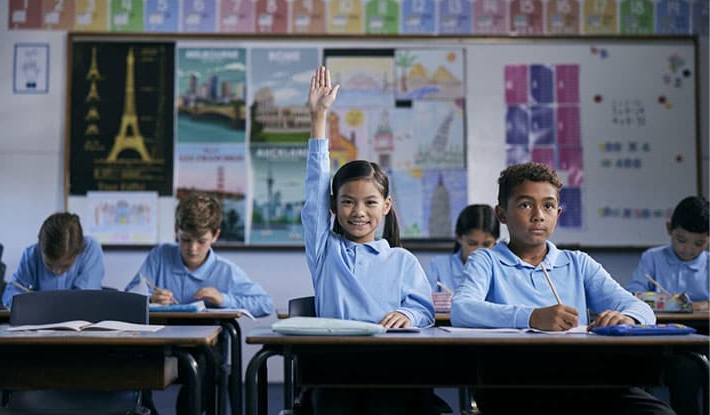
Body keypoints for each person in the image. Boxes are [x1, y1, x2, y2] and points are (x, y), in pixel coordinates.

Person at [450, 162, 675, 415]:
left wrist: (627, 318)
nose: (538, 215)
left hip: (582, 377)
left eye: (547, 206)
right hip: (512, 381)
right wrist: (533, 317)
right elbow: (462, 309)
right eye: (525, 205)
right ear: (501, 214)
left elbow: (641, 308)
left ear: (558, 212)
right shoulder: (486, 260)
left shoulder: (578, 263)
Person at [303, 66, 437, 414]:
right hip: (335, 372)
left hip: (391, 369)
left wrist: (407, 314)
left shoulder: (402, 261)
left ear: (387, 206)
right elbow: (316, 184)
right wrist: (319, 118)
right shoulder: (325, 250)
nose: (358, 211)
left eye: (370, 202)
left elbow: (424, 310)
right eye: (347, 201)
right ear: (333, 206)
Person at [125, 192, 272, 317]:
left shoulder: (225, 271)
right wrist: (150, 299)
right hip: (161, 344)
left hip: (205, 348)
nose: (193, 249)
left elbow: (265, 304)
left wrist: (223, 300)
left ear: (215, 235)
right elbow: (127, 298)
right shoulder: (160, 256)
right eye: (186, 239)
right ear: (176, 230)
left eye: (201, 241)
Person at [2, 212, 104, 307]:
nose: (57, 271)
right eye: (49, 264)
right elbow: (12, 293)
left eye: (65, 266)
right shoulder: (32, 254)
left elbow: (87, 298)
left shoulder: (90, 249)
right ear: (40, 247)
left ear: (78, 252)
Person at [626, 195, 709, 312]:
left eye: (699, 243)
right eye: (681, 240)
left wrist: (704, 305)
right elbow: (632, 294)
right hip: (660, 324)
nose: (688, 249)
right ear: (669, 228)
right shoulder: (652, 258)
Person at [427, 204, 500, 311]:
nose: (479, 251)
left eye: (486, 244)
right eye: (472, 243)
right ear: (459, 238)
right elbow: (424, 305)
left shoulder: (502, 269)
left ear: (495, 242)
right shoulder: (439, 265)